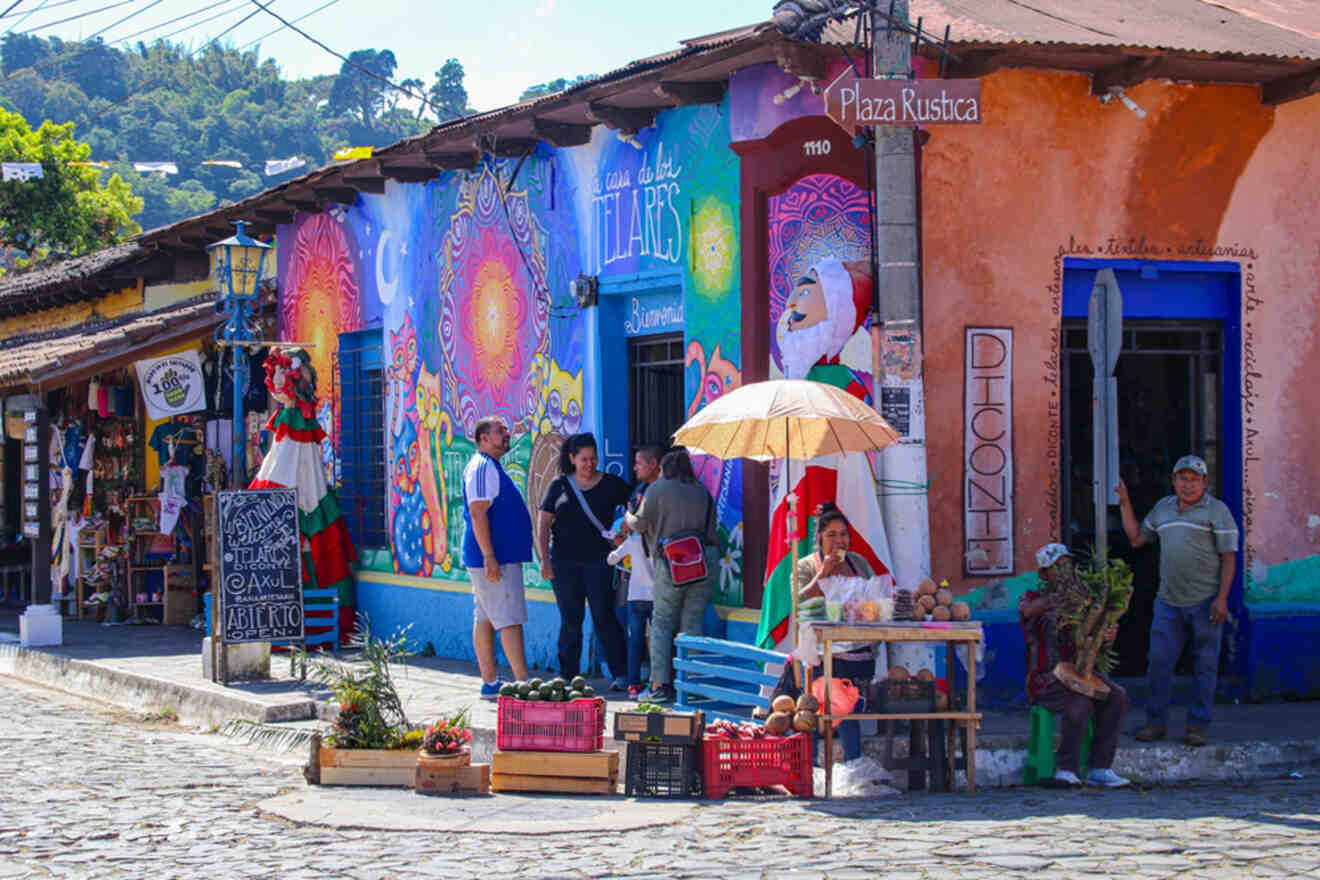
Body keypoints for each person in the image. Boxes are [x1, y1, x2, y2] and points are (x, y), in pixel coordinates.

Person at [1118, 454, 1238, 747]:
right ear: (1174, 481)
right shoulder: (1163, 508)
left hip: (1205, 601)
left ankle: (1197, 726)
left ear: (1205, 482)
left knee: (1205, 666)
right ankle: (1155, 722)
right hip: (1168, 602)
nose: (1188, 485)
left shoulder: (1217, 511)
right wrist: (1124, 501)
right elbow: (1137, 539)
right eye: (1182, 479)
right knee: (1159, 662)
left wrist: (1221, 599)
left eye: (1194, 479)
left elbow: (1229, 559)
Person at [1020, 543, 1132, 788]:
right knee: (1079, 703)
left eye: (1067, 565)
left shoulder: (1087, 601)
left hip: (1084, 674)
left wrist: (1107, 635)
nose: (1065, 571)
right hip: (1047, 679)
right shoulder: (1032, 599)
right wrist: (1064, 597)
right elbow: (1029, 612)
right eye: (1057, 567)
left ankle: (1100, 768)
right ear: (1043, 574)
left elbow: (1098, 645)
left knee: (1118, 697)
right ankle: (1066, 769)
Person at [537, 432, 631, 690]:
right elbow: (544, 524)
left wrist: (624, 533)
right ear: (572, 459)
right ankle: (568, 676)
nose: (589, 464)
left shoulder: (612, 484)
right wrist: (545, 560)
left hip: (600, 563)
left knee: (604, 617)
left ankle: (620, 674)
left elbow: (636, 507)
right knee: (570, 619)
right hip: (564, 564)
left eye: (593, 458)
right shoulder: (559, 485)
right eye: (584, 459)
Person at [626, 449, 718, 703]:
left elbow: (640, 524)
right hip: (703, 561)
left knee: (663, 623)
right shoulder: (702, 491)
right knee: (693, 623)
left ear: (664, 468)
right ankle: (693, 686)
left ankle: (659, 686)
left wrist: (627, 516)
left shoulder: (657, 488)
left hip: (673, 562)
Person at [793, 502, 875, 761]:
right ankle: (814, 767)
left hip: (859, 652)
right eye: (832, 535)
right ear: (818, 537)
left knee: (846, 707)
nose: (839, 541)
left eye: (843, 535)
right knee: (824, 706)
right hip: (820, 653)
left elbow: (874, 598)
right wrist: (824, 573)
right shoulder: (805, 566)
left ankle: (854, 766)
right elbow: (799, 602)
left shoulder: (859, 563)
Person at [461, 416, 532, 700]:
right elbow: (478, 513)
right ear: (483, 439)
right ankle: (525, 684)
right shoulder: (482, 467)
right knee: (509, 618)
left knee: (487, 618)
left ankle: (490, 683)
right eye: (499, 431)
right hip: (494, 558)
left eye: (506, 430)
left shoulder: (490, 466)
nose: (506, 435)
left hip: (495, 556)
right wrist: (489, 555)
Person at [612, 445, 663, 697]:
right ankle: (638, 680)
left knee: (655, 634)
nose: (635, 468)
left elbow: (637, 523)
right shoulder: (639, 491)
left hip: (655, 573)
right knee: (640, 633)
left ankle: (657, 680)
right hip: (635, 574)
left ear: (654, 464)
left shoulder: (661, 492)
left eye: (639, 463)